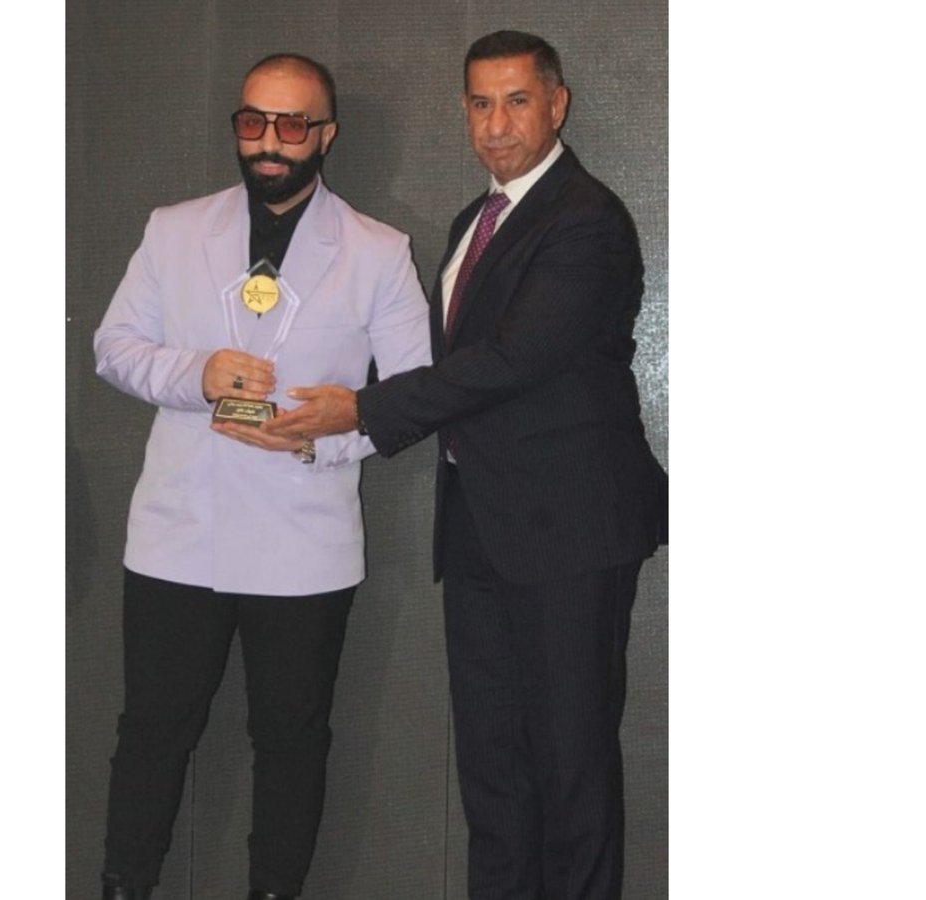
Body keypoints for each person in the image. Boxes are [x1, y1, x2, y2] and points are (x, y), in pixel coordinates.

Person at [264, 30, 668, 900]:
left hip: (570, 532)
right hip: (485, 528)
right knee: (493, 768)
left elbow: (515, 360)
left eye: (517, 101)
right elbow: (447, 368)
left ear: (557, 104)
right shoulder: (472, 224)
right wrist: (323, 417)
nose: (496, 124)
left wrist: (362, 409)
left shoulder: (585, 219)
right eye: (481, 104)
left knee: (570, 768)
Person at [91, 53, 430, 900]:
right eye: (253, 122)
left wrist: (328, 436)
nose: (269, 141)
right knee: (152, 734)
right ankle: (124, 885)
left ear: (326, 134)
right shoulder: (173, 229)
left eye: (291, 124)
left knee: (291, 742)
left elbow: (414, 394)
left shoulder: (379, 251)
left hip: (302, 542)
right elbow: (113, 348)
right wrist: (195, 373)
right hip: (178, 537)